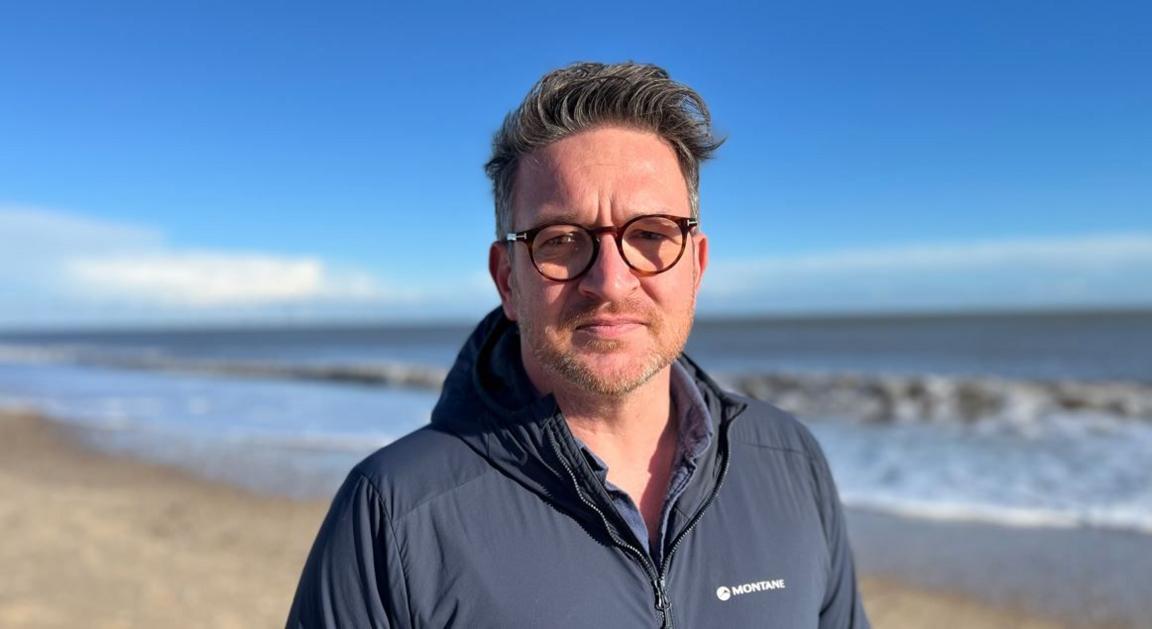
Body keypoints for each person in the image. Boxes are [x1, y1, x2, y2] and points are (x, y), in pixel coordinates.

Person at [287, 61, 869, 628]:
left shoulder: (789, 461)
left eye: (649, 235)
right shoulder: (391, 512)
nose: (610, 282)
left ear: (696, 264)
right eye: (562, 239)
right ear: (508, 280)